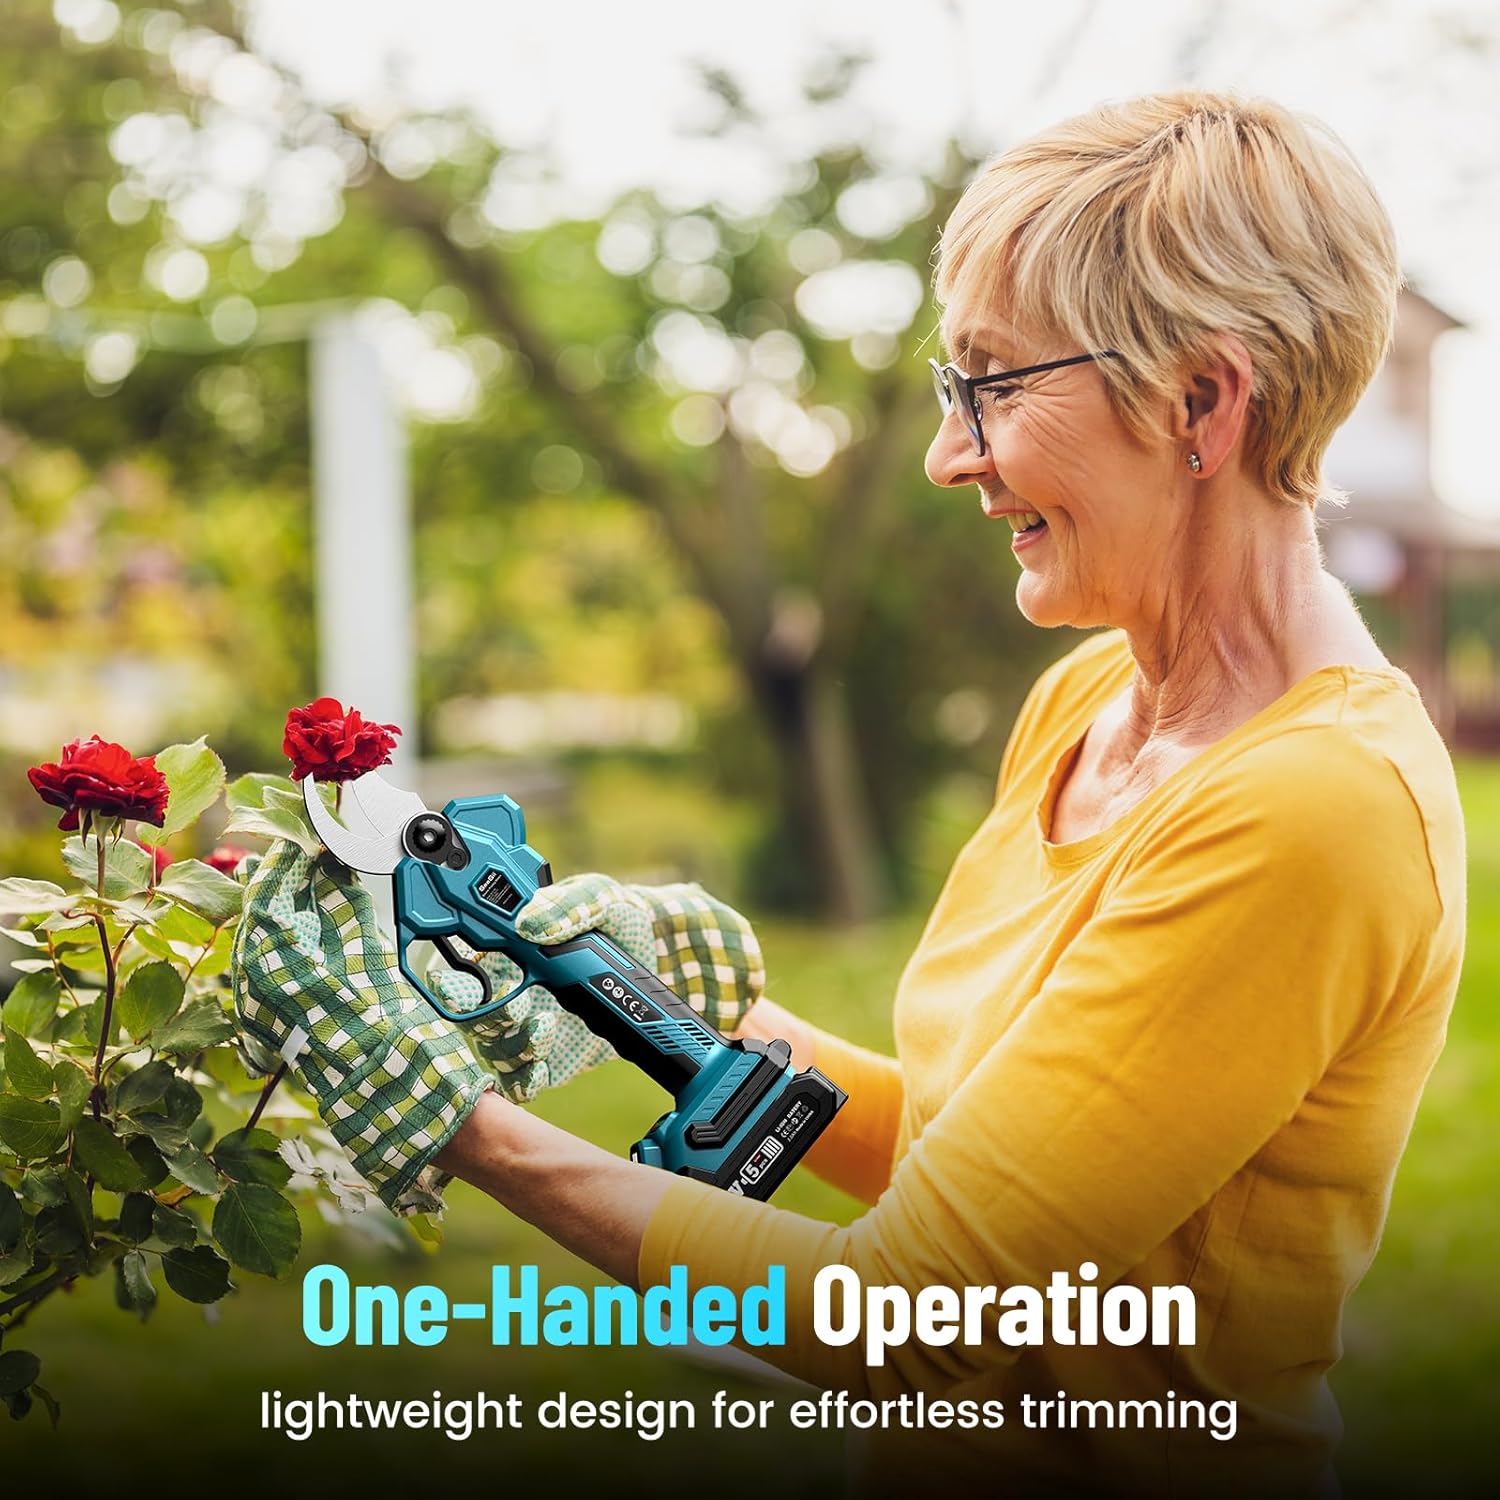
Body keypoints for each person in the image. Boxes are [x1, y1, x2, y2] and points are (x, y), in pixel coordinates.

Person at [232, 90, 1466, 1497]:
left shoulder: (1315, 806)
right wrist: (679, 1011)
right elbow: (977, 1171)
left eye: (993, 386)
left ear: (1200, 401)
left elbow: (916, 1320)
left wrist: (461, 1127)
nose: (952, 453)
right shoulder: (1087, 707)